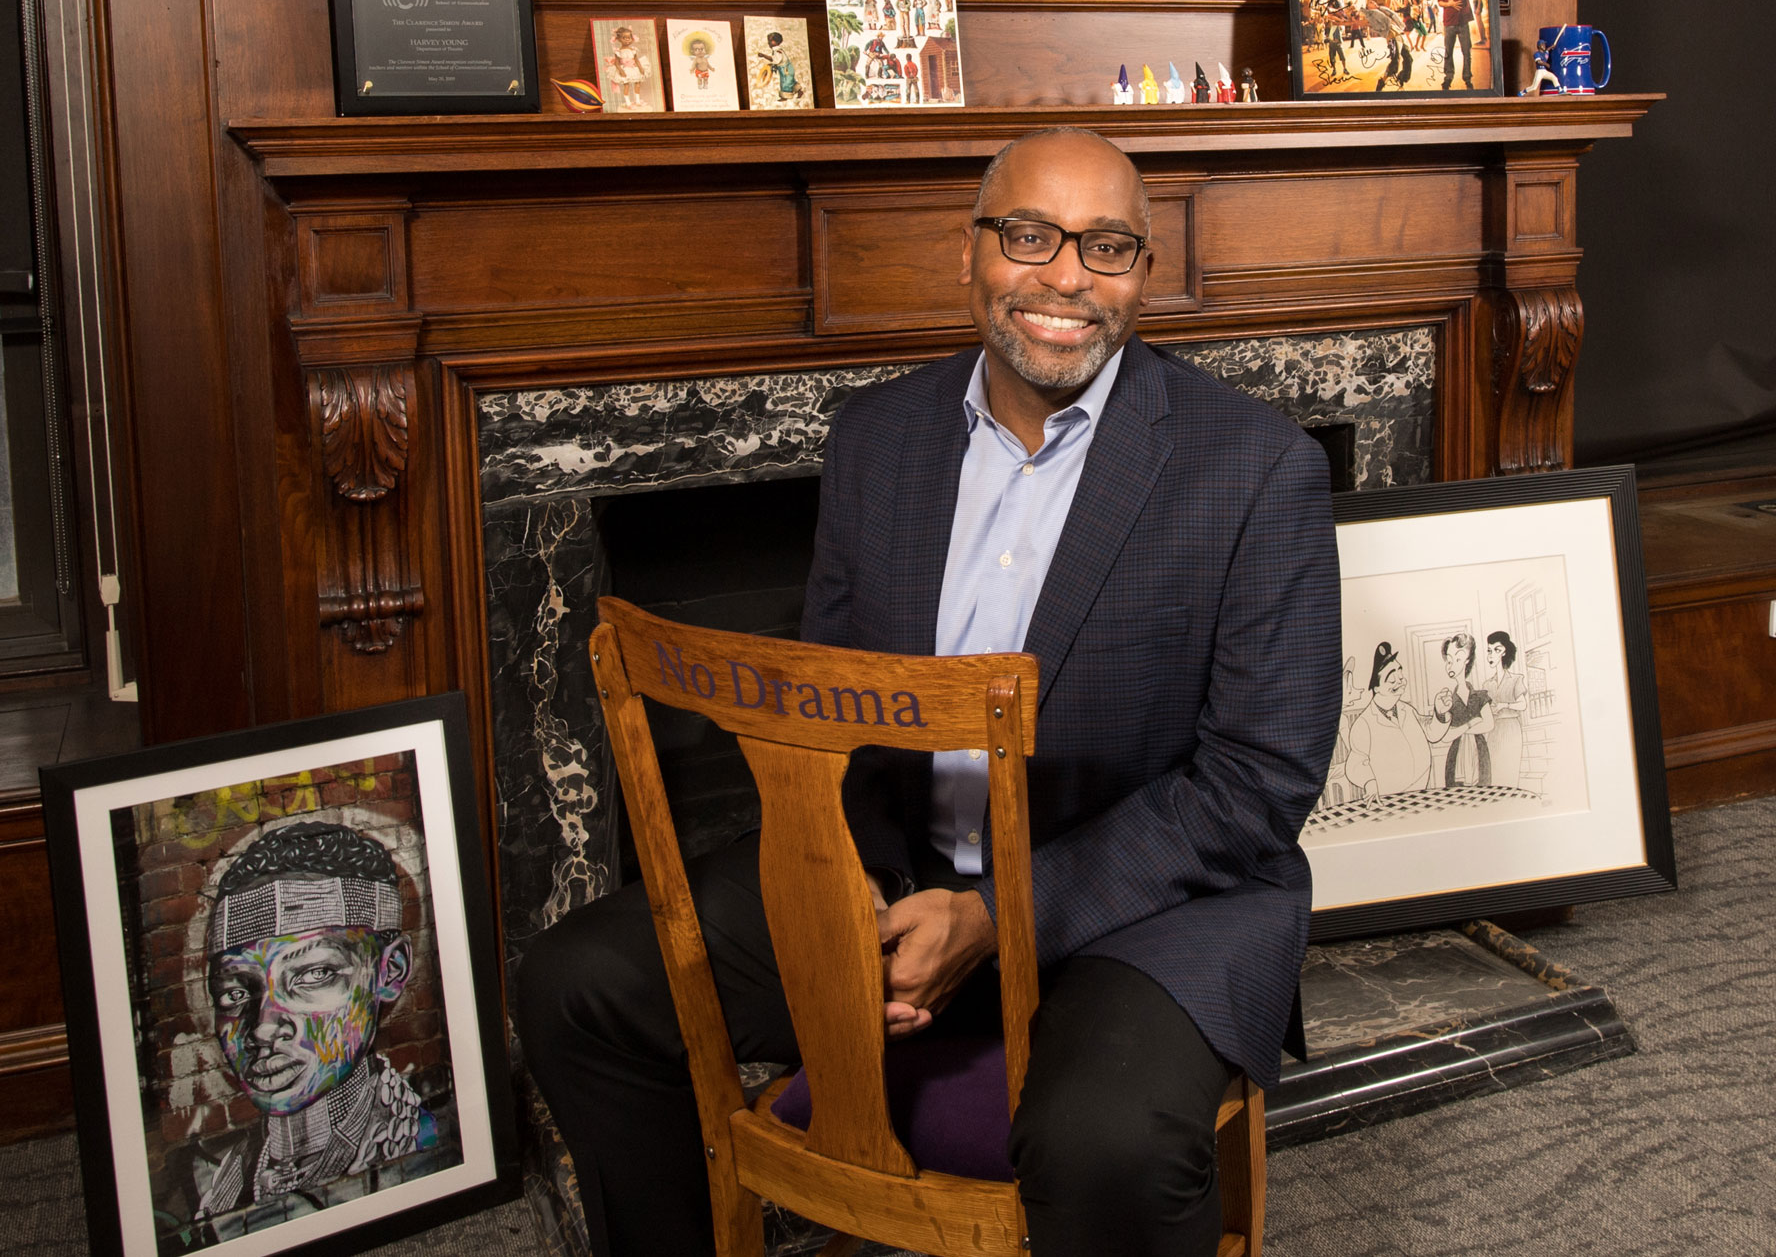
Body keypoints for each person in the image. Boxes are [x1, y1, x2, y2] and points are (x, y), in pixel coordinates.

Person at [517, 126, 1340, 1257]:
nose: (1064, 276)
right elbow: (829, 707)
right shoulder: (878, 439)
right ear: (969, 254)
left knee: (1106, 1145)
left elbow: (1257, 781)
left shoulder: (1254, 470)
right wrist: (841, 891)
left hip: (1146, 910)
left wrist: (1000, 917)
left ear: (1143, 275)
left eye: (1105, 247)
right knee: (580, 985)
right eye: (1029, 235)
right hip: (899, 865)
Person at [159, 820, 451, 1249]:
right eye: (236, 992)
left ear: (390, 971)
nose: (261, 1026)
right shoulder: (212, 1177)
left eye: (314, 974)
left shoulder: (429, 1139)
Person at [1343, 642, 1443, 801]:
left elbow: (1431, 732)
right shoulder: (1364, 724)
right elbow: (1355, 764)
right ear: (1376, 687)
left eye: (1400, 674)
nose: (1401, 681)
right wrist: (1370, 783)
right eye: (1392, 679)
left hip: (1420, 792)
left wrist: (1440, 713)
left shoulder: (1407, 709)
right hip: (1390, 800)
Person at [1433, 630, 1494, 785]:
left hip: (1479, 756)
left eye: (1458, 658)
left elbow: (1489, 724)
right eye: (1449, 660)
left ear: (1467, 660)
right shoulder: (1448, 701)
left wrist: (1459, 730)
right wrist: (1471, 723)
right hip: (1457, 758)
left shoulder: (1480, 696)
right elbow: (1446, 735)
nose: (1451, 665)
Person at [1482, 630, 1529, 787]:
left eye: (1496, 650)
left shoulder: (1516, 679)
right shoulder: (1487, 685)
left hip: (1511, 729)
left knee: (1510, 769)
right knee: (1494, 772)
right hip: (1494, 730)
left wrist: (1505, 705)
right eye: (1489, 650)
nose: (1491, 655)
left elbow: (1522, 704)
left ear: (1504, 652)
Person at [1437, 0, 1476, 90]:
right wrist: (1450, 4)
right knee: (1448, 52)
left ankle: (1467, 78)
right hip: (1449, 23)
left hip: (1463, 22)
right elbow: (1440, 2)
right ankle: (1448, 78)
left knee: (1466, 52)